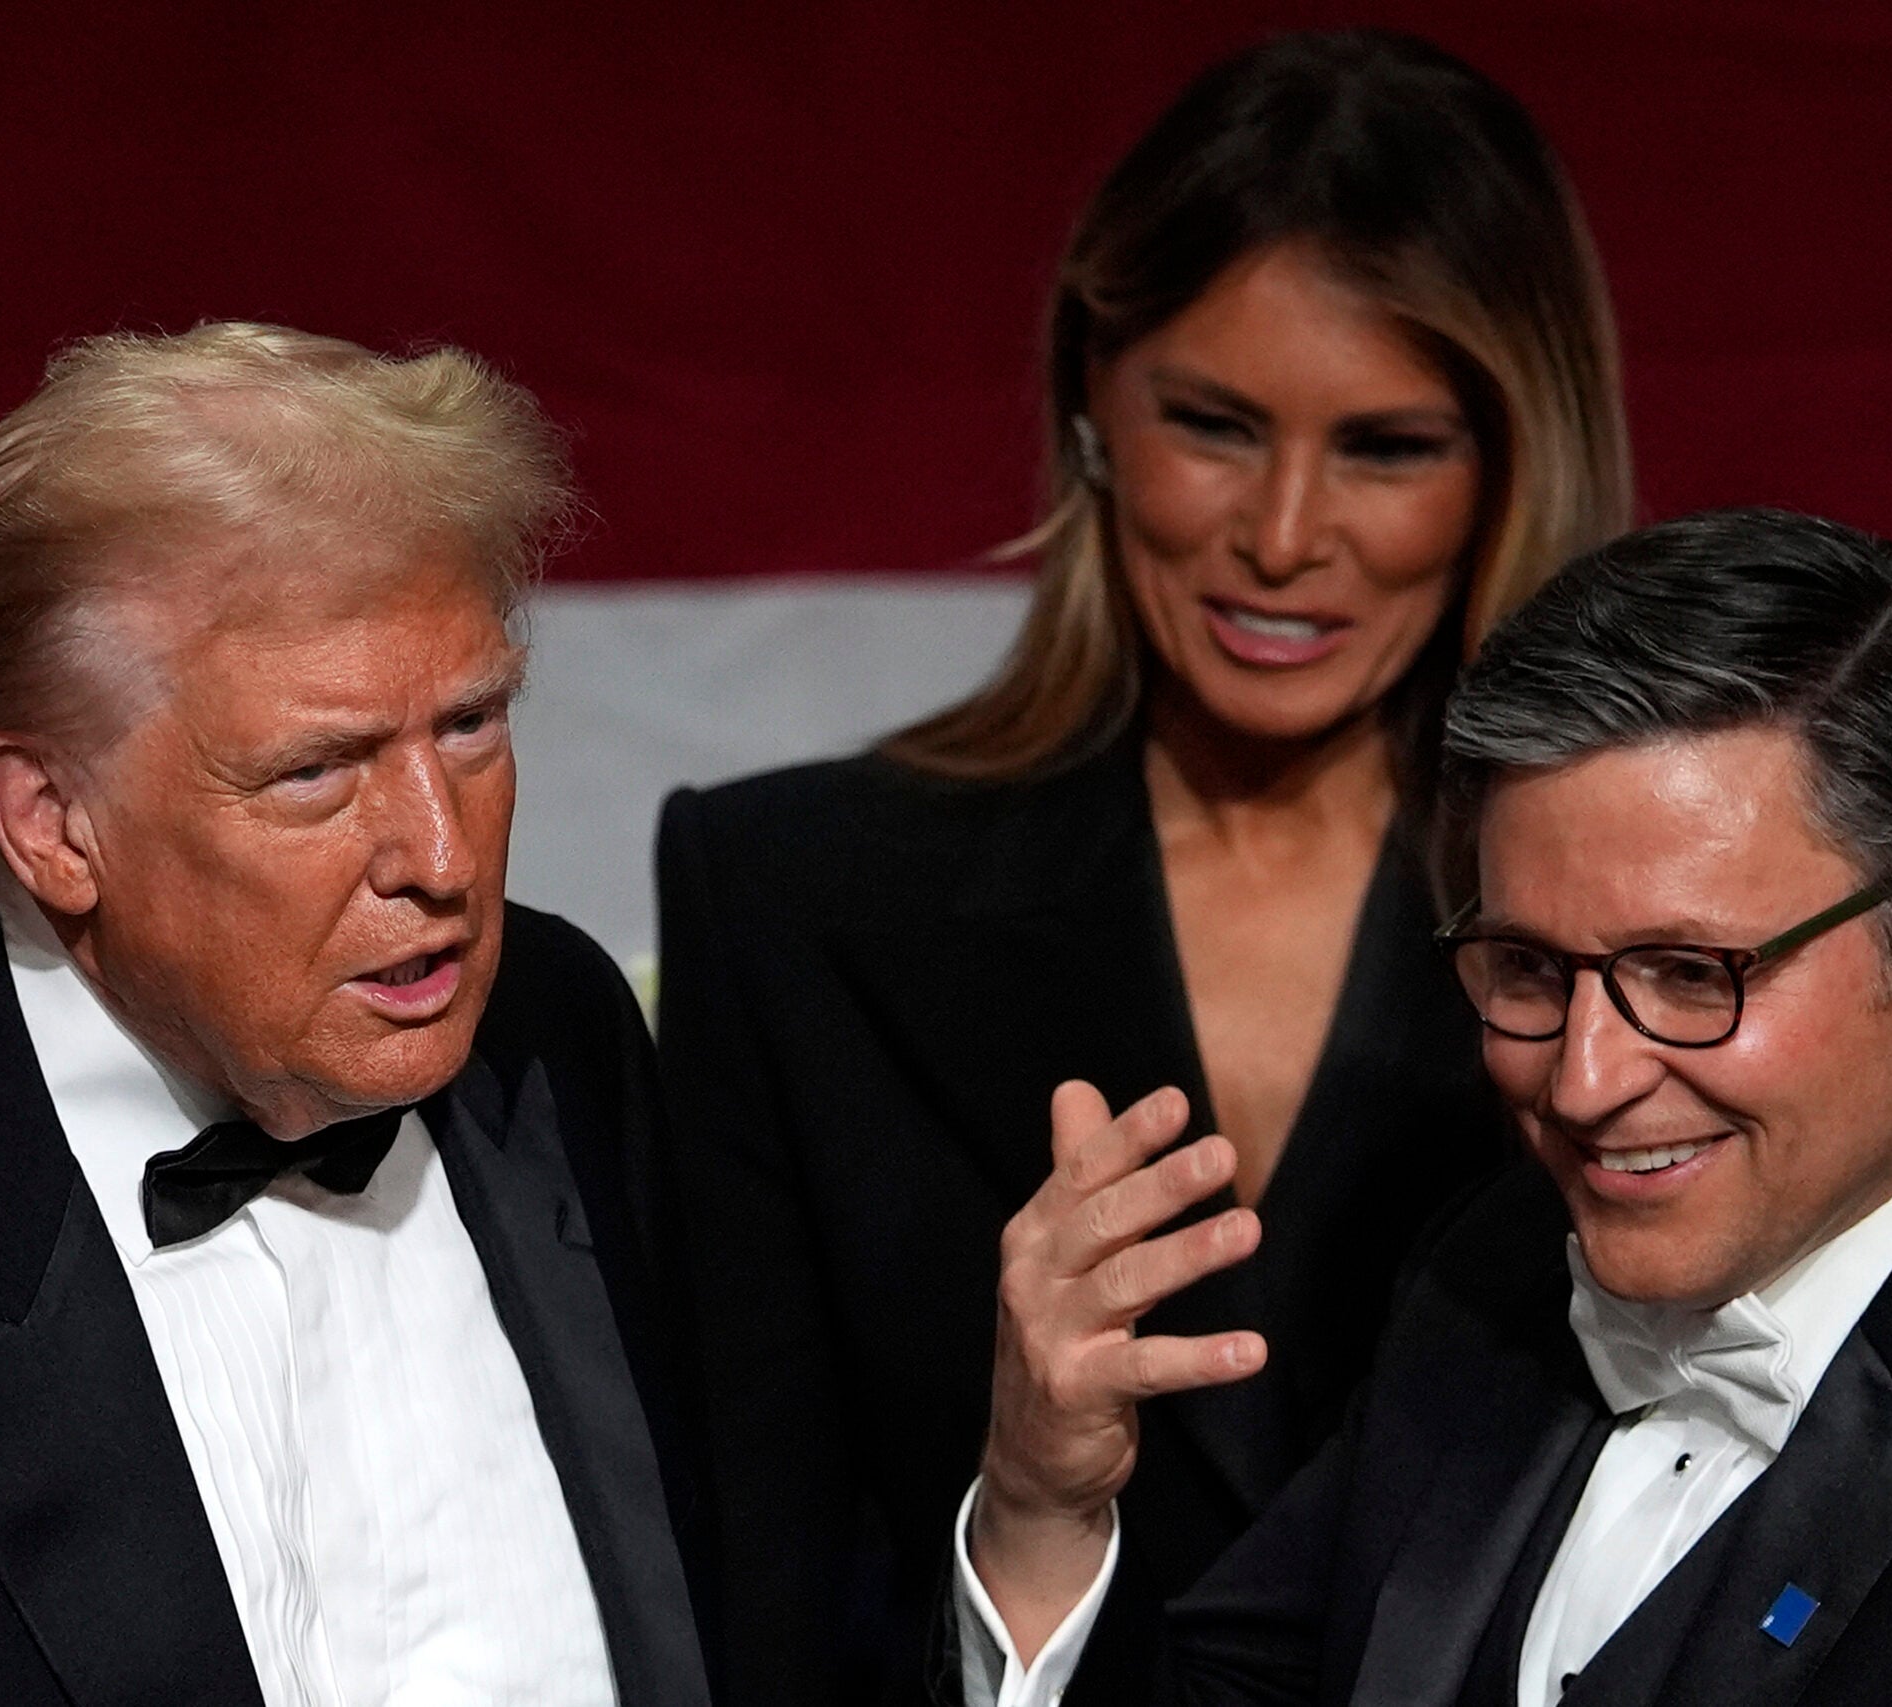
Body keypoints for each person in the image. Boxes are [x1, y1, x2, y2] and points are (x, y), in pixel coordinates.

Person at [650, 28, 1631, 1705]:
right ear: (1093, 405)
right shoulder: (791, 895)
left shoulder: (1653, 936)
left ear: (1504, 470)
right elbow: (755, 1606)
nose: (1281, 533)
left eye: (1388, 448)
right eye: (1215, 424)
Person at [958, 506, 1892, 1705]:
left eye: (1689, 973)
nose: (1582, 1084)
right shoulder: (1483, 1278)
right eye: (1529, 968)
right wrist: (1039, 1513)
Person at [0, 323, 710, 1705]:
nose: (440, 854)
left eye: (472, 724)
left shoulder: (558, 1029)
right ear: (53, 820)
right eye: (318, 770)